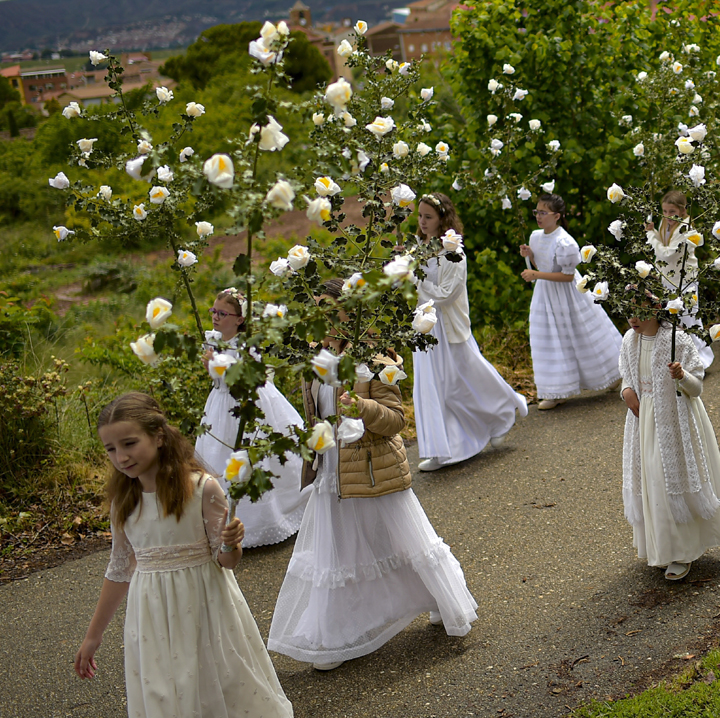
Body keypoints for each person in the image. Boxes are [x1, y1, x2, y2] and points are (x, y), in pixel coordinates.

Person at [267, 279, 478, 671]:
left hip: (372, 466)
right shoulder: (315, 358)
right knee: (339, 552)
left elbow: (396, 419)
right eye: (315, 308)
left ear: (348, 310)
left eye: (329, 307)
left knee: (400, 539)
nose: (322, 317)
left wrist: (361, 405)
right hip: (332, 471)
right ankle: (335, 634)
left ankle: (436, 597)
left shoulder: (375, 357)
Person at [77, 392, 293, 718]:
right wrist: (93, 636)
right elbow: (119, 570)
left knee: (216, 685)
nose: (121, 457)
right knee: (163, 692)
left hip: (205, 606)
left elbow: (225, 562)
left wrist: (230, 543)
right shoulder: (123, 502)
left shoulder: (203, 488)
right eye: (111, 449)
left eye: (130, 444)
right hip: (151, 615)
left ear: (159, 436)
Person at [618, 313, 720, 581]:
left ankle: (682, 551)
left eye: (639, 312)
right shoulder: (629, 340)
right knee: (651, 480)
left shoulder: (677, 339)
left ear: (657, 308)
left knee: (670, 478)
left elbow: (696, 388)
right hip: (644, 422)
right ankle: (662, 546)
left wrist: (682, 375)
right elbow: (627, 375)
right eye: (628, 313)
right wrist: (627, 390)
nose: (632, 319)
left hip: (674, 419)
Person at [411, 193, 527, 471]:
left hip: (448, 326)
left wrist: (414, 281)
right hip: (424, 325)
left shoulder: (454, 252)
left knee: (462, 379)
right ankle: (445, 449)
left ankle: (504, 409)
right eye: (420, 216)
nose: (423, 222)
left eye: (429, 217)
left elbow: (447, 294)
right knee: (432, 387)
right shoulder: (418, 247)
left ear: (442, 218)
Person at [194, 287, 309, 547]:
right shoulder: (213, 340)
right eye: (214, 311)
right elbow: (218, 378)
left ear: (239, 319)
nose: (215, 317)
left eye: (222, 313)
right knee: (217, 457)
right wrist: (211, 366)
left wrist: (219, 365)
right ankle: (221, 521)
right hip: (220, 405)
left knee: (255, 458)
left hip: (247, 403)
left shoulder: (246, 346)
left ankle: (264, 520)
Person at [519, 193, 623, 409]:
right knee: (549, 338)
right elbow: (544, 266)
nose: (538, 216)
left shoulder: (565, 242)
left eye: (543, 212)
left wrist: (536, 275)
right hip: (546, 294)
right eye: (536, 211)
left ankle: (614, 374)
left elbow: (567, 276)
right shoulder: (536, 236)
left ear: (556, 216)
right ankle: (556, 390)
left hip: (568, 293)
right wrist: (531, 255)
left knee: (583, 333)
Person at [645, 190, 714, 369]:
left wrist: (650, 235)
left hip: (685, 280)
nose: (668, 216)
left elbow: (666, 254)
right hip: (669, 280)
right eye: (665, 211)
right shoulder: (664, 223)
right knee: (675, 322)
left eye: (672, 212)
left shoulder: (686, 229)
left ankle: (700, 361)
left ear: (683, 211)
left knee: (689, 320)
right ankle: (684, 361)